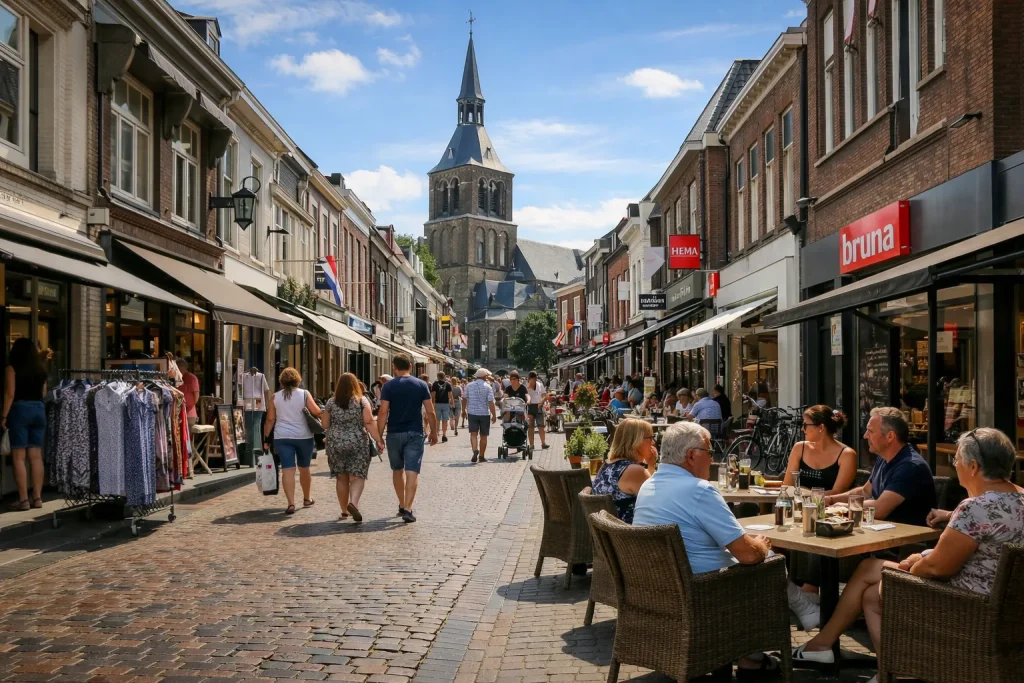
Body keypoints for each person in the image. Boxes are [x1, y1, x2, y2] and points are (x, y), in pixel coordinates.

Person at [793, 427, 1024, 671]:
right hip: (1010, 608)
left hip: (969, 609)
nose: (956, 466)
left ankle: (891, 671)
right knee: (870, 579)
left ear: (974, 467)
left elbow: (937, 568)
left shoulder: (975, 508)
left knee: (871, 583)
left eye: (957, 459)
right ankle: (853, 658)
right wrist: (922, 556)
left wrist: (912, 564)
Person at [632, 421, 784, 676]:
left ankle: (750, 651)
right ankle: (753, 657)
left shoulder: (649, 485)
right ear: (692, 456)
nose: (713, 459)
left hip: (657, 590)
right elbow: (747, 554)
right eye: (710, 452)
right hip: (703, 595)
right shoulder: (699, 490)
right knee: (770, 561)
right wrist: (761, 545)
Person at [825, 407, 935, 527]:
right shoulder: (884, 457)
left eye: (870, 431)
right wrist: (831, 500)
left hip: (906, 541)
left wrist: (843, 507)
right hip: (881, 532)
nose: (865, 436)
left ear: (890, 436)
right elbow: (865, 491)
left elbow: (879, 510)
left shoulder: (910, 466)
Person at [376, 354, 437, 523]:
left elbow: (383, 412)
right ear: (410, 366)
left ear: (394, 367)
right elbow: (430, 411)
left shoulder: (388, 387)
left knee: (397, 470)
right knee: (412, 471)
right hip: (415, 432)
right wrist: (434, 431)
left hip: (394, 433)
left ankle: (402, 504)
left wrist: (379, 435)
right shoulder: (421, 385)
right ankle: (408, 509)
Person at [322, 373, 384, 523]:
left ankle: (344, 511)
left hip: (336, 443)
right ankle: (354, 503)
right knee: (357, 476)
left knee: (341, 477)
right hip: (358, 442)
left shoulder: (331, 403)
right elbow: (369, 422)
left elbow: (324, 425)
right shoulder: (362, 401)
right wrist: (379, 440)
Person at [263, 368, 321, 515]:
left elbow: (270, 420)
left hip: (282, 437)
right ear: (298, 380)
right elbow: (316, 412)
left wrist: (266, 439)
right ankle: (307, 498)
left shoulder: (275, 397)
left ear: (281, 382)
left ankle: (290, 503)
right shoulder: (304, 394)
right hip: (304, 436)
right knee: (304, 468)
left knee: (288, 469)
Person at [3, 338, 47, 511]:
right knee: (35, 456)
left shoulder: (11, 369)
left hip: (20, 410)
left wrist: (3, 416)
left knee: (18, 457)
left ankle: (23, 500)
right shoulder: (40, 370)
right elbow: (43, 392)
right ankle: (37, 498)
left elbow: (10, 393)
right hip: (38, 409)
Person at [591, 418, 656, 523]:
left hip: (610, 535)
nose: (653, 442)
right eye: (651, 437)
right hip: (631, 537)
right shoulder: (635, 471)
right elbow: (657, 501)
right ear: (636, 441)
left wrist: (650, 465)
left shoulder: (607, 464)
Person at [782, 405, 857, 495]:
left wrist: (805, 493)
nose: (802, 429)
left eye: (805, 425)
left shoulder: (847, 455)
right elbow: (787, 486)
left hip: (831, 507)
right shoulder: (799, 448)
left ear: (821, 428)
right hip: (799, 507)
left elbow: (838, 493)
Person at [463, 368, 497, 463]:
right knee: (484, 436)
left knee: (473, 434)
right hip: (484, 414)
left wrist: (463, 410)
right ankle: (481, 456)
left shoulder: (468, 386)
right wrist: (494, 415)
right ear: (484, 376)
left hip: (472, 413)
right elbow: (491, 402)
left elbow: (464, 398)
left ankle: (475, 450)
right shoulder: (488, 387)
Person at [525, 371, 549, 451]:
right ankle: (531, 444)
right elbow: (525, 396)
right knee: (530, 426)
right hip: (530, 406)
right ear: (529, 378)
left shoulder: (540, 385)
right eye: (533, 379)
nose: (534, 380)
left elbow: (543, 395)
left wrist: (542, 402)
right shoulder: (526, 386)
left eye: (535, 378)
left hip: (539, 406)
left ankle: (543, 443)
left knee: (541, 426)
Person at [431, 372, 454, 443]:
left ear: (437, 376)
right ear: (444, 376)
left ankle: (437, 433)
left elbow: (433, 395)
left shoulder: (435, 384)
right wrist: (452, 402)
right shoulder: (448, 384)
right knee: (445, 420)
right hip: (445, 404)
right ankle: (444, 434)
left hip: (437, 403)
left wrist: (432, 403)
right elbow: (450, 395)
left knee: (437, 420)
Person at [177, 357, 200, 428]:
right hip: (177, 412)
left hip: (189, 412)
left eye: (179, 368)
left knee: (188, 434)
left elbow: (196, 397)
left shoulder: (192, 378)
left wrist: (188, 404)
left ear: (184, 367)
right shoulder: (174, 378)